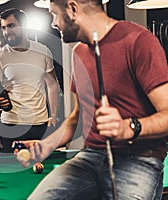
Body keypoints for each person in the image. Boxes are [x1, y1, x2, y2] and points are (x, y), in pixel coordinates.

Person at [17, 0, 168, 199]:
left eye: (54, 14)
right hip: (91, 156)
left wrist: (127, 128)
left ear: (72, 9)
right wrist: (46, 145)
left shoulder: (138, 40)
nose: (53, 23)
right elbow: (76, 118)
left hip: (139, 159)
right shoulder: (79, 53)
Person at [0, 8, 60, 153]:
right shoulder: (0, 57)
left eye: (11, 26)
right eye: (3, 27)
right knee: (14, 169)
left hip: (39, 123)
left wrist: (54, 115)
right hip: (11, 124)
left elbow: (52, 85)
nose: (7, 31)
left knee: (40, 167)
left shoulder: (43, 51)